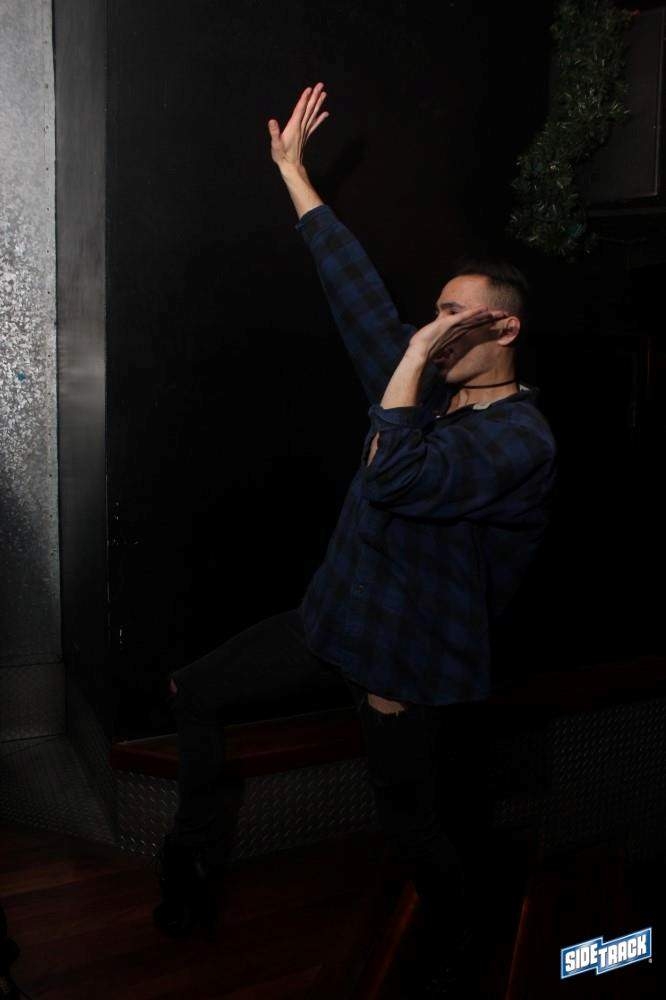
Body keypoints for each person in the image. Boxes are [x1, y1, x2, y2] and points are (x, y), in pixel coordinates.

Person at [153, 83, 558, 996]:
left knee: (417, 835)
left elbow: (397, 475)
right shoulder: (428, 387)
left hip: (399, 670)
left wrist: (411, 358)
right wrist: (295, 175)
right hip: (333, 621)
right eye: (435, 311)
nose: (436, 326)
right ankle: (195, 864)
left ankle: (468, 955)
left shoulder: (520, 441)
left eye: (457, 315)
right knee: (194, 690)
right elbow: (357, 291)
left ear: (505, 327)